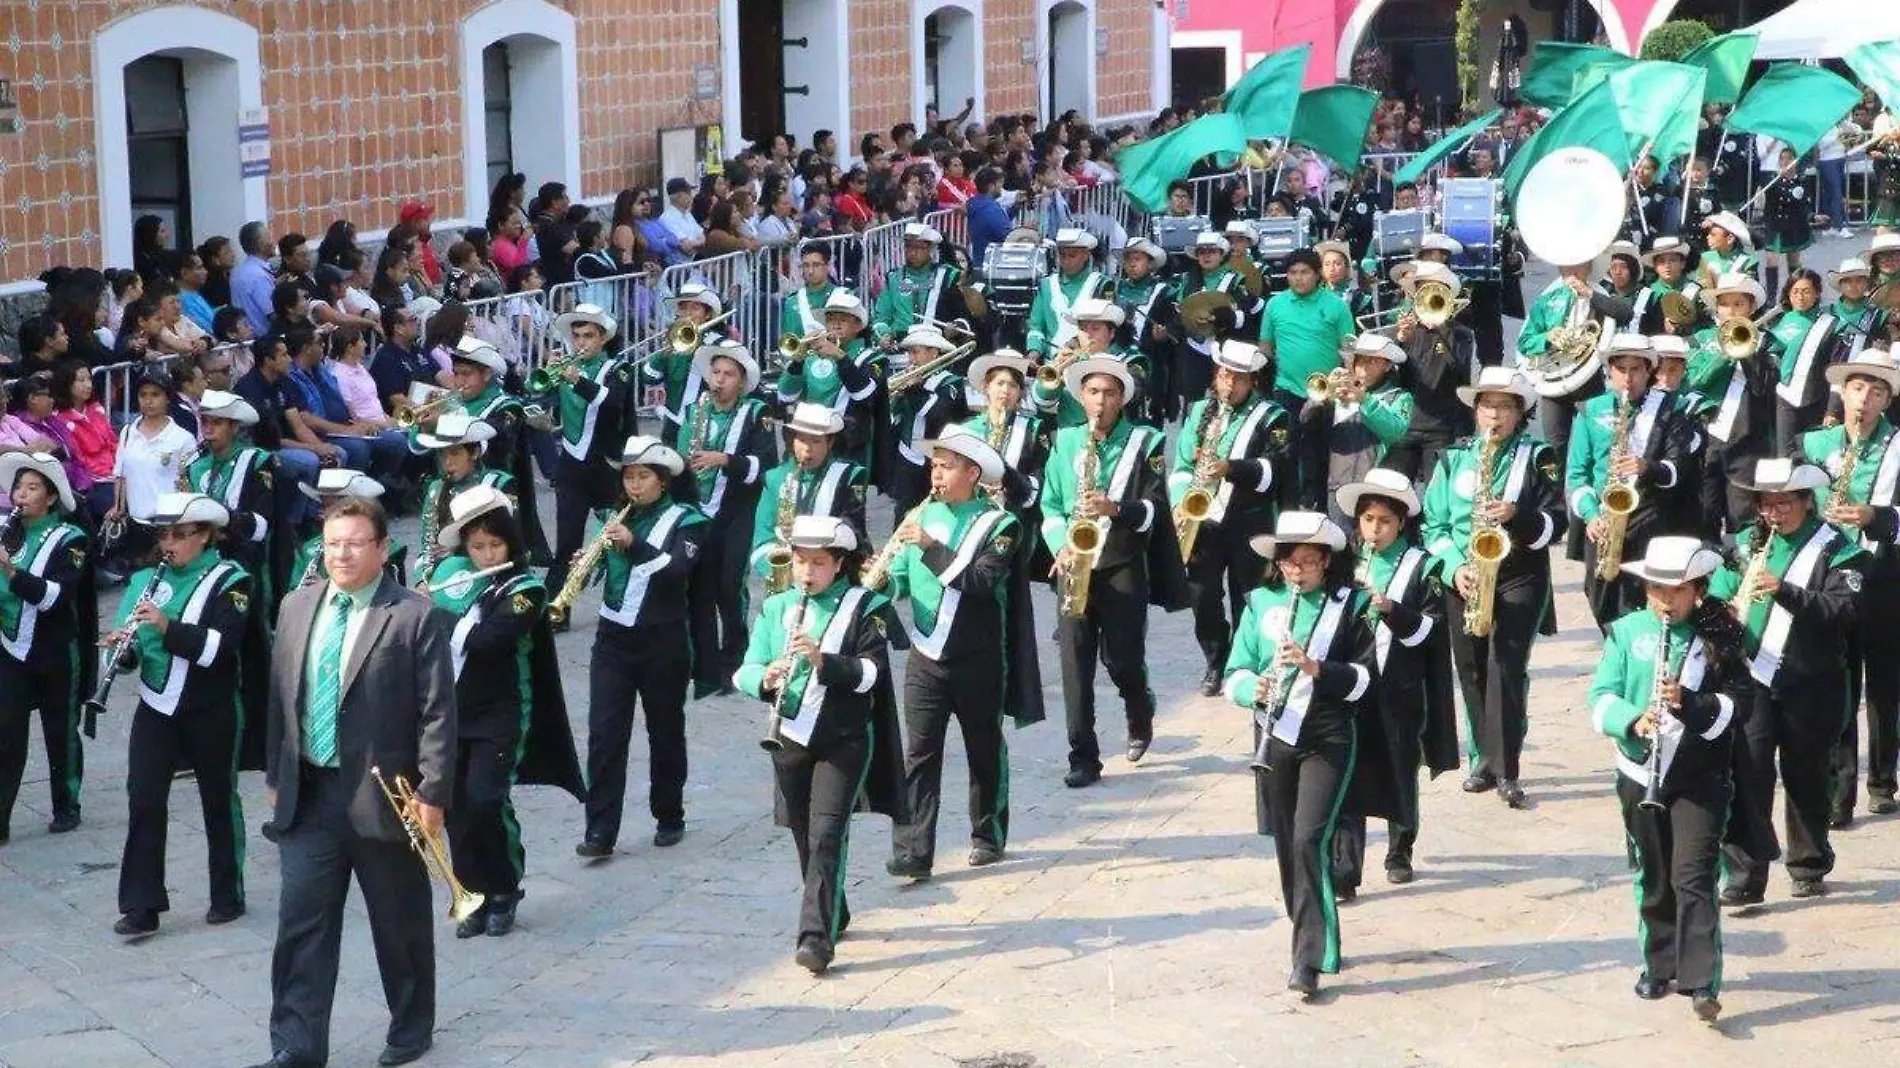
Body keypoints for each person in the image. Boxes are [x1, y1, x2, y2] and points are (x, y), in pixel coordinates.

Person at [256, 494, 455, 1068]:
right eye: (332, 543)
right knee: (302, 923)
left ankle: (411, 1025)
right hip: (310, 795)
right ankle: (296, 1045)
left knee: (398, 920)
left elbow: (439, 710)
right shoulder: (297, 605)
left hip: (384, 797)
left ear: (382, 548)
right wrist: (276, 769)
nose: (341, 554)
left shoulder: (412, 615)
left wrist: (433, 792)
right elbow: (279, 694)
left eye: (354, 543)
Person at [733, 514, 908, 975]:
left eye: (818, 562)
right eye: (800, 561)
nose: (807, 572)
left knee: (828, 832)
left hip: (843, 739)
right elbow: (744, 668)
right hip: (789, 737)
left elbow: (872, 674)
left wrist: (823, 661)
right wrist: (765, 678)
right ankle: (835, 908)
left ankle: (814, 938)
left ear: (838, 565)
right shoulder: (776, 608)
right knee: (803, 833)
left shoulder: (866, 606)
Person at [1588, 536, 1744, 1025]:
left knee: (1693, 877)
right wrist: (1633, 721)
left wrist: (1688, 702)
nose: (1665, 599)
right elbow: (1601, 695)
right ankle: (1659, 964)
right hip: (1640, 771)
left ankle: (1702, 983)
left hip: (1699, 775)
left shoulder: (1719, 637)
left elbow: (1738, 707)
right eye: (1656, 589)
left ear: (1697, 589)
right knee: (1653, 876)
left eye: (1676, 590)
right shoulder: (1626, 631)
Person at [1221, 510, 1375, 998]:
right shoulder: (1260, 603)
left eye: (1309, 562)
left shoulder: (1352, 606)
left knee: (1310, 839)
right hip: (1275, 735)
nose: (1299, 570)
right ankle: (1309, 929)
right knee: (1287, 845)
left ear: (1327, 563)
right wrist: (1255, 688)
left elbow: (1366, 680)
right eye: (1291, 562)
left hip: (1328, 738)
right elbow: (1235, 671)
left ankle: (1307, 958)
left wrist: (1315, 667)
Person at [879, 426, 1042, 879]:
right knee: (919, 754)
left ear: (973, 473)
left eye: (946, 466)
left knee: (983, 748)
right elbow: (901, 582)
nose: (936, 475)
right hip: (925, 657)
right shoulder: (919, 516)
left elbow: (979, 583)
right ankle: (915, 850)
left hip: (978, 657)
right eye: (934, 465)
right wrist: (878, 582)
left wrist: (930, 547)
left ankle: (987, 835)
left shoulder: (999, 525)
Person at [424, 486, 582, 938]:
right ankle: (470, 893)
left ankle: (505, 889)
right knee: (455, 808)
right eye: (477, 547)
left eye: (496, 544)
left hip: (502, 712)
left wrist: (436, 613)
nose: (488, 554)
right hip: (451, 710)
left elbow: (490, 641)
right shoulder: (457, 579)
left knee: (486, 799)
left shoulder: (526, 589)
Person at [1706, 459, 1863, 908]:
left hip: (1811, 681)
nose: (1774, 513)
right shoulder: (1746, 546)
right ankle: (1745, 875)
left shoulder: (1837, 548)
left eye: (1784, 503)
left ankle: (1809, 862)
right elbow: (1716, 596)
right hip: (1752, 680)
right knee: (1747, 775)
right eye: (1766, 504)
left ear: (1806, 501)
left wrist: (1784, 591)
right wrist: (1722, 615)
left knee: (1807, 776)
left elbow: (1843, 612)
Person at [1422, 367, 1568, 808]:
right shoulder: (1453, 458)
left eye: (1504, 407)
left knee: (1505, 666)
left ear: (1520, 412)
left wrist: (1516, 514)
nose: (1494, 416)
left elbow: (1556, 521)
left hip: (1520, 571)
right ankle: (1482, 756)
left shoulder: (1539, 456)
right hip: (1465, 575)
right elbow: (1435, 526)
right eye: (1487, 406)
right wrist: (1452, 569)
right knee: (1470, 668)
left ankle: (1507, 767)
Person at [1038, 356, 1188, 787]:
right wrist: (1059, 547)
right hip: (1073, 563)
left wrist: (1115, 508)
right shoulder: (1065, 441)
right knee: (1075, 665)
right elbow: (1049, 505)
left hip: (1122, 562)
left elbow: (1156, 510)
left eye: (1109, 393)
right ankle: (1082, 756)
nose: (1100, 401)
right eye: (1093, 392)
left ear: (1122, 398)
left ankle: (1139, 706)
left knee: (1122, 660)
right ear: (1081, 397)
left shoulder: (1146, 441)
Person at [112, 492, 255, 938]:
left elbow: (218, 649)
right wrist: (123, 648)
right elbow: (133, 653)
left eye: (180, 534)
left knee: (218, 798)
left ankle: (227, 893)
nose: (168, 543)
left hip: (209, 707)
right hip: (156, 706)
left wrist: (166, 626)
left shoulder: (231, 581)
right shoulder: (142, 582)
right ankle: (142, 904)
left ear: (207, 535)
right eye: (163, 534)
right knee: (144, 799)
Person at [576, 437, 710, 857]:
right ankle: (600, 832)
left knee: (665, 730)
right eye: (629, 476)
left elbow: (676, 571)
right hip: (613, 639)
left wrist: (633, 545)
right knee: (604, 735)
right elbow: (599, 569)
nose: (634, 486)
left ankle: (669, 813)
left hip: (663, 638)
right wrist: (585, 562)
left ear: (663, 481)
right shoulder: (614, 517)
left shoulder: (687, 520)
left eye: (643, 477)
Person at [1330, 471, 1456, 891]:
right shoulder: (1345, 563)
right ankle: (1346, 870)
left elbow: (1430, 632)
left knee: (1401, 768)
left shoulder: (1424, 567)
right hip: (1352, 685)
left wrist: (1389, 608)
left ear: (1401, 523)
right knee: (1347, 773)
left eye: (1384, 521)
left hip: (1400, 688)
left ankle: (1400, 847)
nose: (1375, 529)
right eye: (1368, 520)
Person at [1796, 350, 1900, 824]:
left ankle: (1882, 781)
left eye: (1877, 391)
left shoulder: (1898, 447)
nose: (1866, 399)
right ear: (1844, 391)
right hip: (1831, 577)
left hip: (1884, 577)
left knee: (1884, 688)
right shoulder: (1814, 443)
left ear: (1887, 400)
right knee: (1837, 683)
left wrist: (1874, 517)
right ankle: (1839, 794)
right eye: (1859, 388)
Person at [1168, 340, 1290, 695]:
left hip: (1248, 520)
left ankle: (1243, 660)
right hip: (1203, 522)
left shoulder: (1272, 416)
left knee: (1248, 597)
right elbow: (1181, 467)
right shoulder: (1199, 411)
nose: (1229, 384)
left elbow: (1273, 471)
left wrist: (1230, 468)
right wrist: (1180, 502)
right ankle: (1214, 658)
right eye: (1224, 375)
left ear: (1252, 381)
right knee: (1202, 596)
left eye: (1238, 378)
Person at [1565, 335, 1698, 631]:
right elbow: (1577, 474)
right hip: (1601, 518)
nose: (1628, 378)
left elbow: (1677, 470)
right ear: (1609, 371)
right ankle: (1617, 652)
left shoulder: (1670, 409)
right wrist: (1590, 514)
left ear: (1648, 371)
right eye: (1621, 369)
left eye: (1636, 369)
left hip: (1649, 515)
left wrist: (1646, 467)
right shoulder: (1589, 410)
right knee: (1599, 599)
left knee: (1637, 603)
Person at [0, 452, 95, 843]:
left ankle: (66, 804)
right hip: (9, 646)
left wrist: (9, 570)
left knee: (60, 730)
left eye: (32, 488)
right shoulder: (7, 531)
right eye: (19, 486)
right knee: (6, 733)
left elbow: (54, 597)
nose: (21, 495)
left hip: (54, 648)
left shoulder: (70, 540)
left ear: (51, 497)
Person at [674, 341, 775, 696]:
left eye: (728, 374)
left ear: (742, 380)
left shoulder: (757, 412)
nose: (719, 380)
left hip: (737, 511)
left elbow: (767, 466)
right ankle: (703, 664)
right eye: (715, 372)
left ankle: (734, 660)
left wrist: (725, 461)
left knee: (729, 588)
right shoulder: (695, 409)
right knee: (698, 590)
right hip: (697, 510)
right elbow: (679, 457)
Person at [542, 304, 628, 607]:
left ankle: (622, 602)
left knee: (616, 541)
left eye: (588, 336)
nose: (581, 343)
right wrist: (547, 373)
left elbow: (612, 403)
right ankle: (556, 607)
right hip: (571, 465)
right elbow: (535, 393)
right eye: (576, 336)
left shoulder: (617, 368)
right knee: (567, 542)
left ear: (602, 338)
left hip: (606, 465)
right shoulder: (565, 367)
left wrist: (577, 379)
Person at [1301, 332, 1414, 524]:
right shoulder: (1338, 393)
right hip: (1336, 488)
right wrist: (1320, 400)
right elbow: (1305, 420)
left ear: (1387, 366)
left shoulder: (1399, 397)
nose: (1364, 366)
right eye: (1360, 359)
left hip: (1372, 491)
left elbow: (1395, 431)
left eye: (1373, 361)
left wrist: (1364, 399)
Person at [642, 283, 731, 434]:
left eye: (695, 308)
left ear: (707, 314)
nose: (688, 313)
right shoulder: (674, 341)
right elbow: (649, 378)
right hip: (673, 423)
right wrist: (662, 355)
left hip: (708, 425)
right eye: (683, 307)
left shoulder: (720, 345)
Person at [871, 223, 966, 344]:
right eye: (908, 247)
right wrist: (884, 334)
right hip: (900, 342)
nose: (912, 253)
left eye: (919, 248)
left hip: (935, 343)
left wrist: (954, 328)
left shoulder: (946, 276)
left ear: (930, 249)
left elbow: (961, 315)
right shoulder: (893, 278)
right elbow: (882, 315)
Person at [1025, 228, 1112, 360]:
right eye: (1062, 255)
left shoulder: (1101, 284)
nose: (1066, 260)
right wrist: (1034, 351)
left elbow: (1105, 329)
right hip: (1051, 362)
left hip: (1088, 360)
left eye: (1072, 255)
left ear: (1086, 255)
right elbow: (1036, 325)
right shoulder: (1046, 284)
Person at [780, 244, 843, 340]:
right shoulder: (792, 302)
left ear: (828, 266)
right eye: (806, 265)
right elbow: (788, 340)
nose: (810, 271)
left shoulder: (843, 296)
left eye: (816, 265)